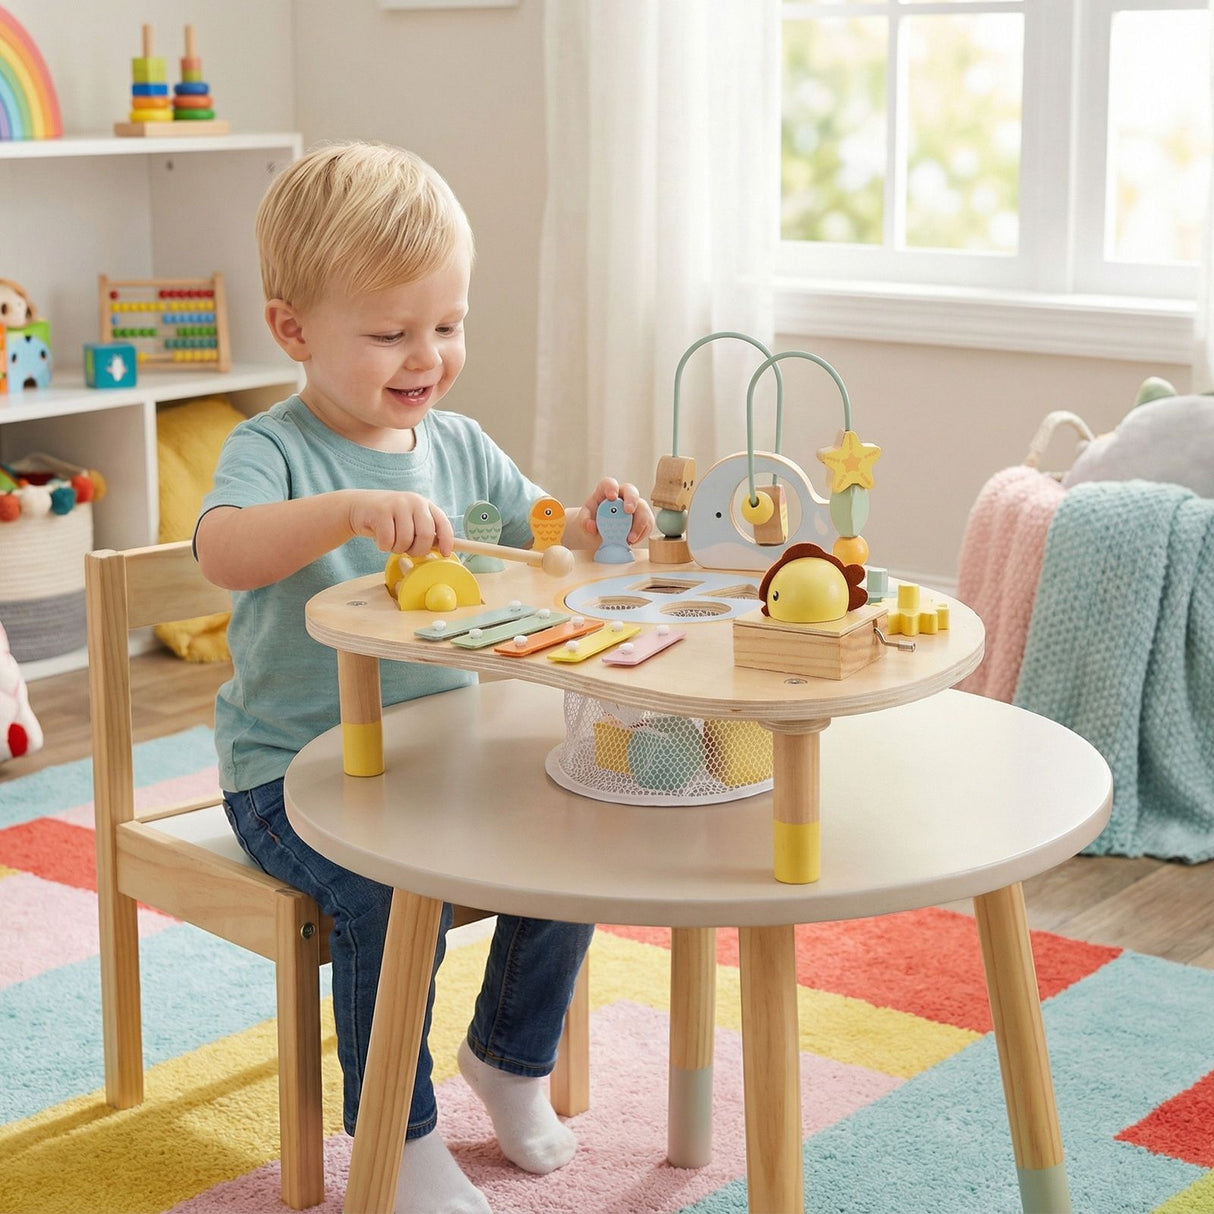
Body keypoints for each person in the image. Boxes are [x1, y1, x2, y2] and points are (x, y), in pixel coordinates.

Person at [194, 141, 655, 1214]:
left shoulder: (456, 447)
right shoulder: (281, 450)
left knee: (579, 824)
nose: (426, 356)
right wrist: (347, 511)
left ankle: (507, 1055)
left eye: (445, 325)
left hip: (438, 760)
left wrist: (593, 526)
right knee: (383, 885)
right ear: (294, 330)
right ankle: (393, 1141)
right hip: (293, 778)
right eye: (390, 332)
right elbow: (221, 549)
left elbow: (526, 540)